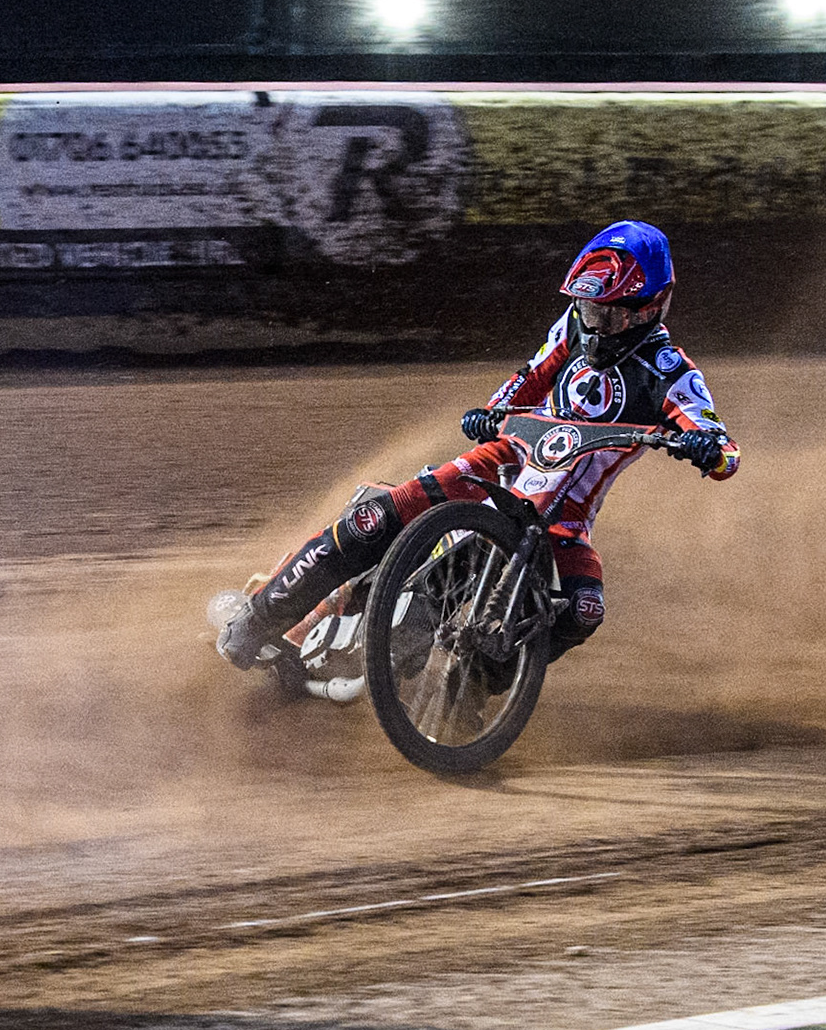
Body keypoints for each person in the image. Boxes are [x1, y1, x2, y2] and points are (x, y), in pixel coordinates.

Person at [217, 220, 739, 685]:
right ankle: (256, 620)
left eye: (610, 317)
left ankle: (474, 687)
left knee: (583, 608)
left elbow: (725, 451)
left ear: (651, 309)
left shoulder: (672, 373)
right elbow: (528, 378)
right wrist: (490, 411)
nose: (594, 327)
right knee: (378, 519)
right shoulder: (573, 327)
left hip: (562, 523)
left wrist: (705, 448)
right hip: (502, 463)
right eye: (587, 310)